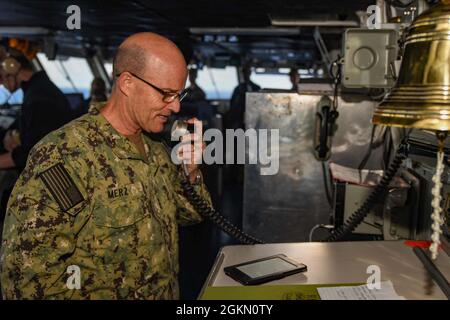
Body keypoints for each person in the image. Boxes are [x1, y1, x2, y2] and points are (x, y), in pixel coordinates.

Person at [0, 32, 211, 299]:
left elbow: (190, 214)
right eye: (167, 94)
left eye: (179, 94)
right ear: (128, 83)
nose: (176, 106)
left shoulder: (155, 147)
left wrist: (190, 172)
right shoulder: (65, 155)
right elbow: (25, 282)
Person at [0, 50, 75, 240]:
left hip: (52, 187)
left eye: (1, 77)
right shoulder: (38, 90)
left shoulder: (39, 99)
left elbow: (35, 156)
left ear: (13, 69)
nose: (1, 82)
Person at [226, 65, 260, 130]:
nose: (246, 75)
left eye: (247, 72)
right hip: (239, 117)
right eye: (244, 73)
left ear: (250, 73)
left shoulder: (256, 88)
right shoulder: (238, 89)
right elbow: (232, 103)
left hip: (252, 116)